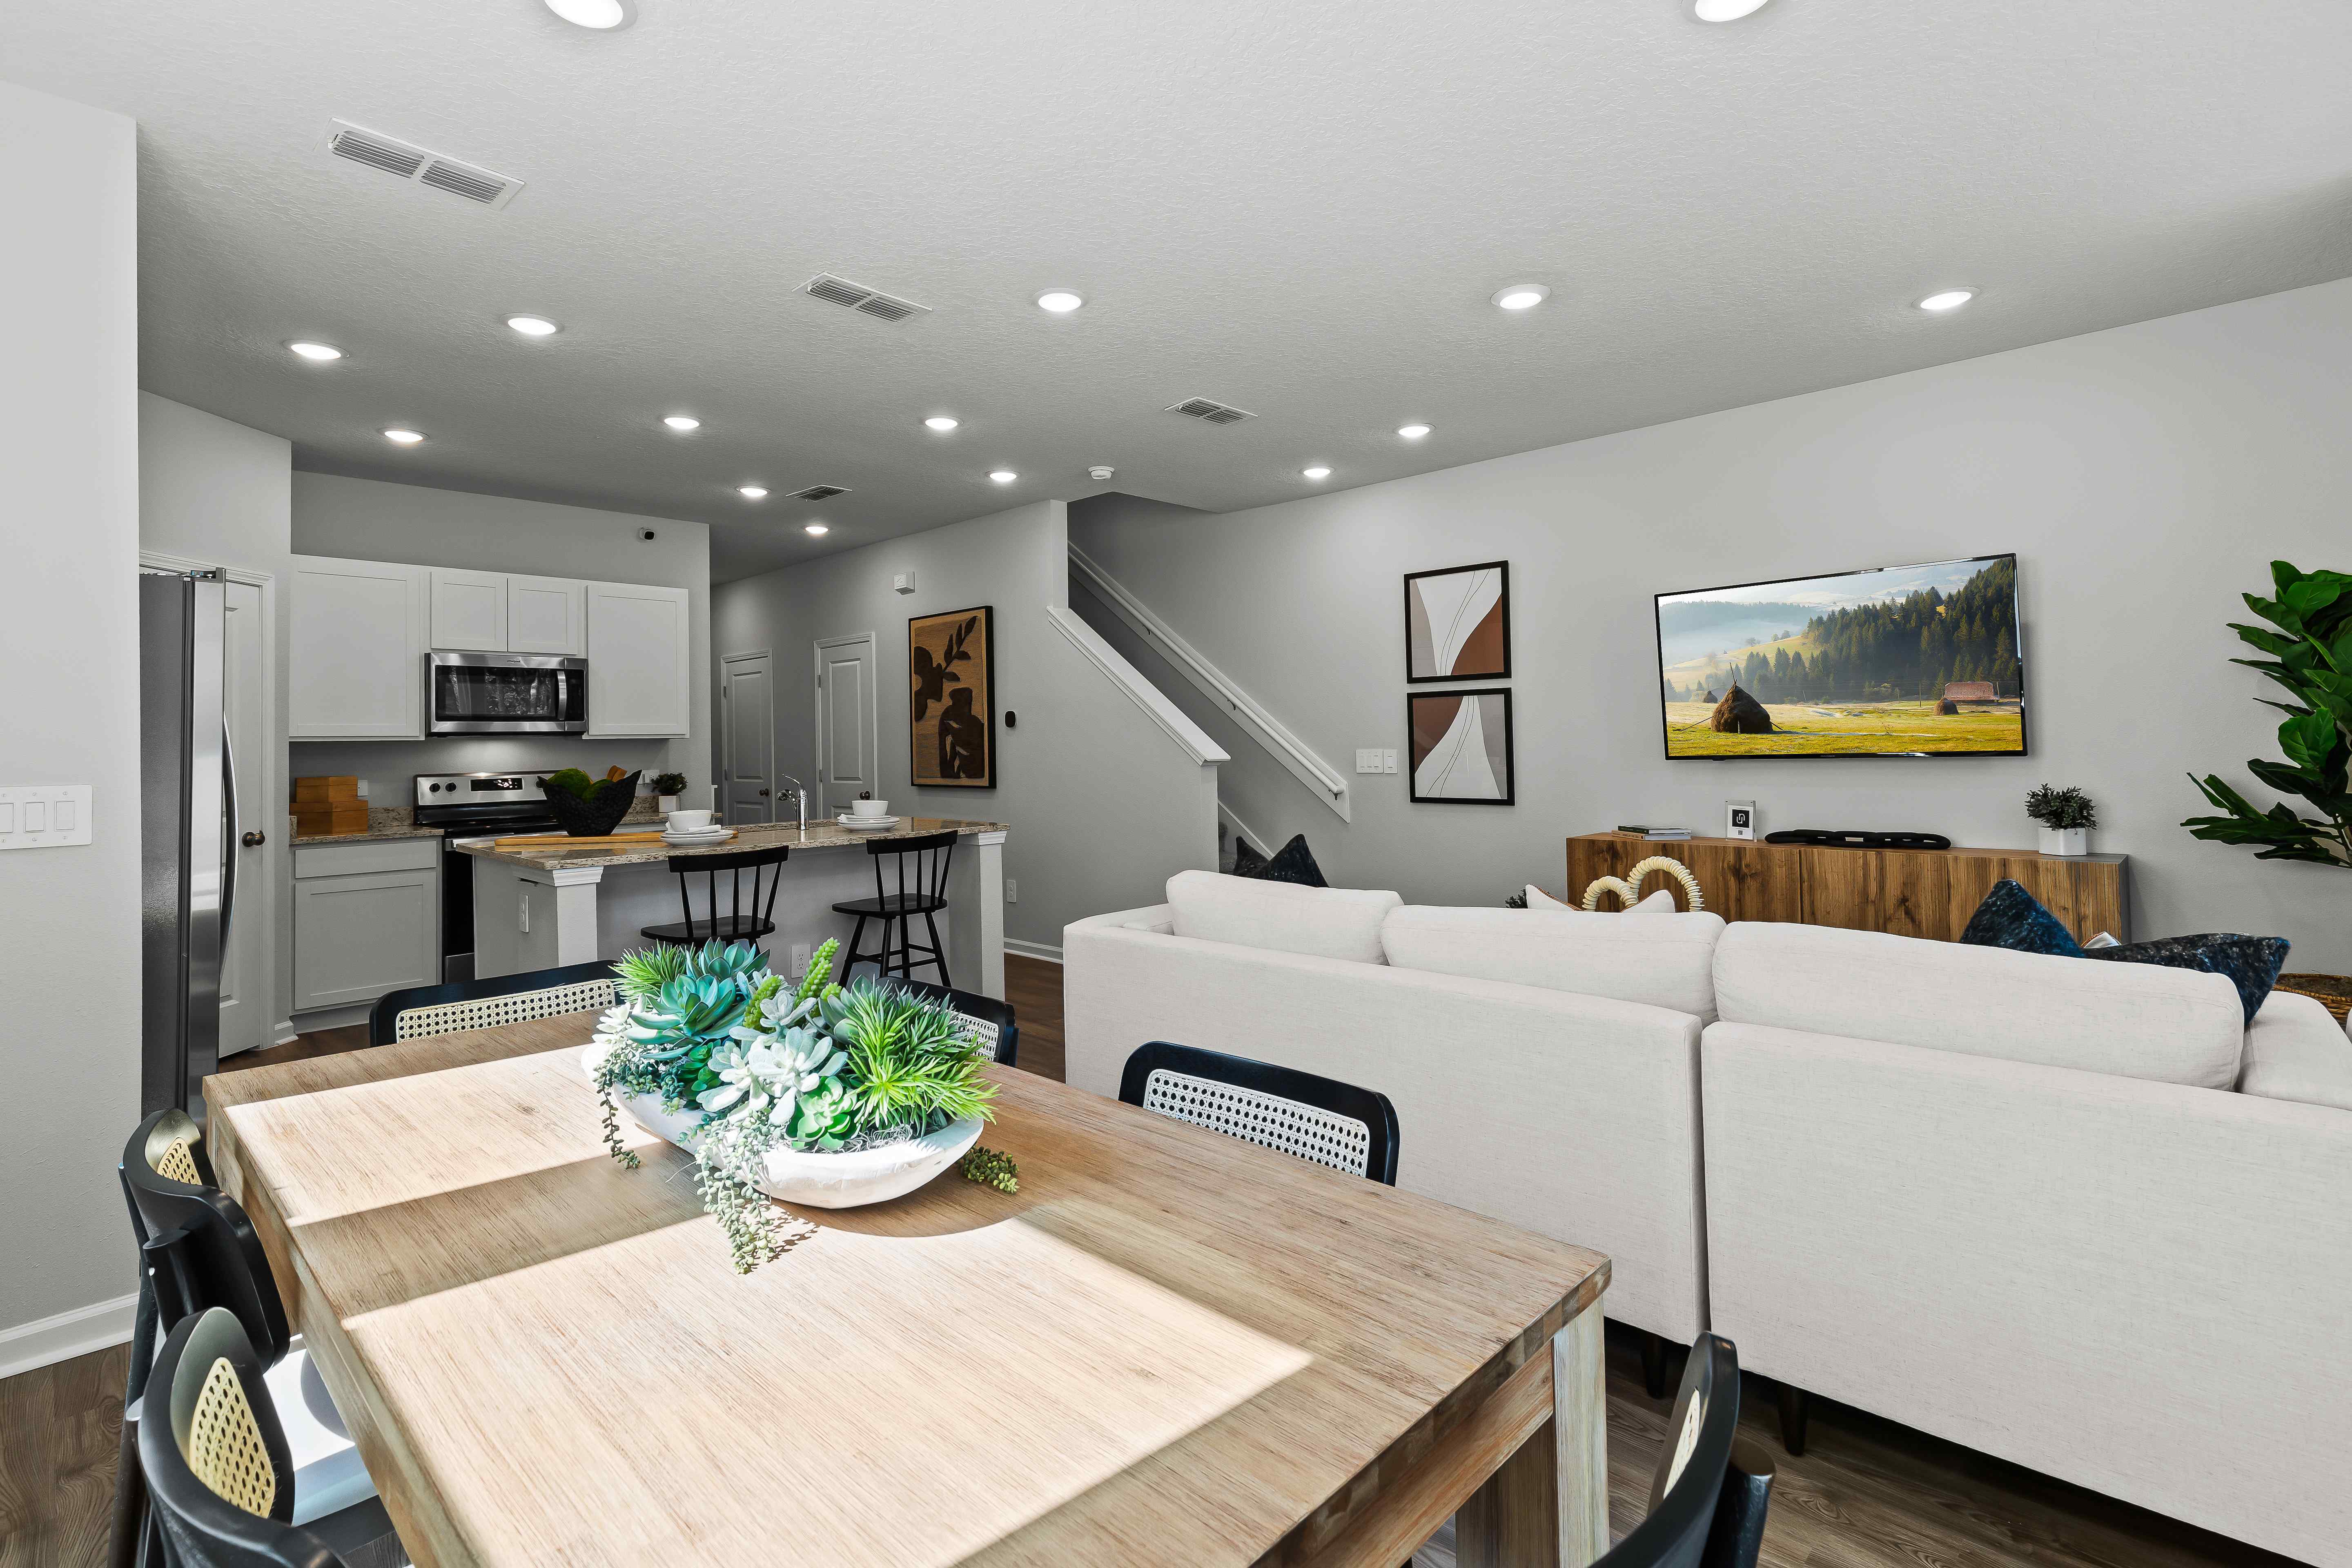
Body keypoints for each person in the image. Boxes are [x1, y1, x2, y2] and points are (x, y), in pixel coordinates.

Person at [938, 686, 986, 779]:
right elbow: (947, 744)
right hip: (968, 771)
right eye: (966, 703)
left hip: (975, 771)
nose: (968, 706)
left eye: (969, 703)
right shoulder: (949, 715)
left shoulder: (975, 722)